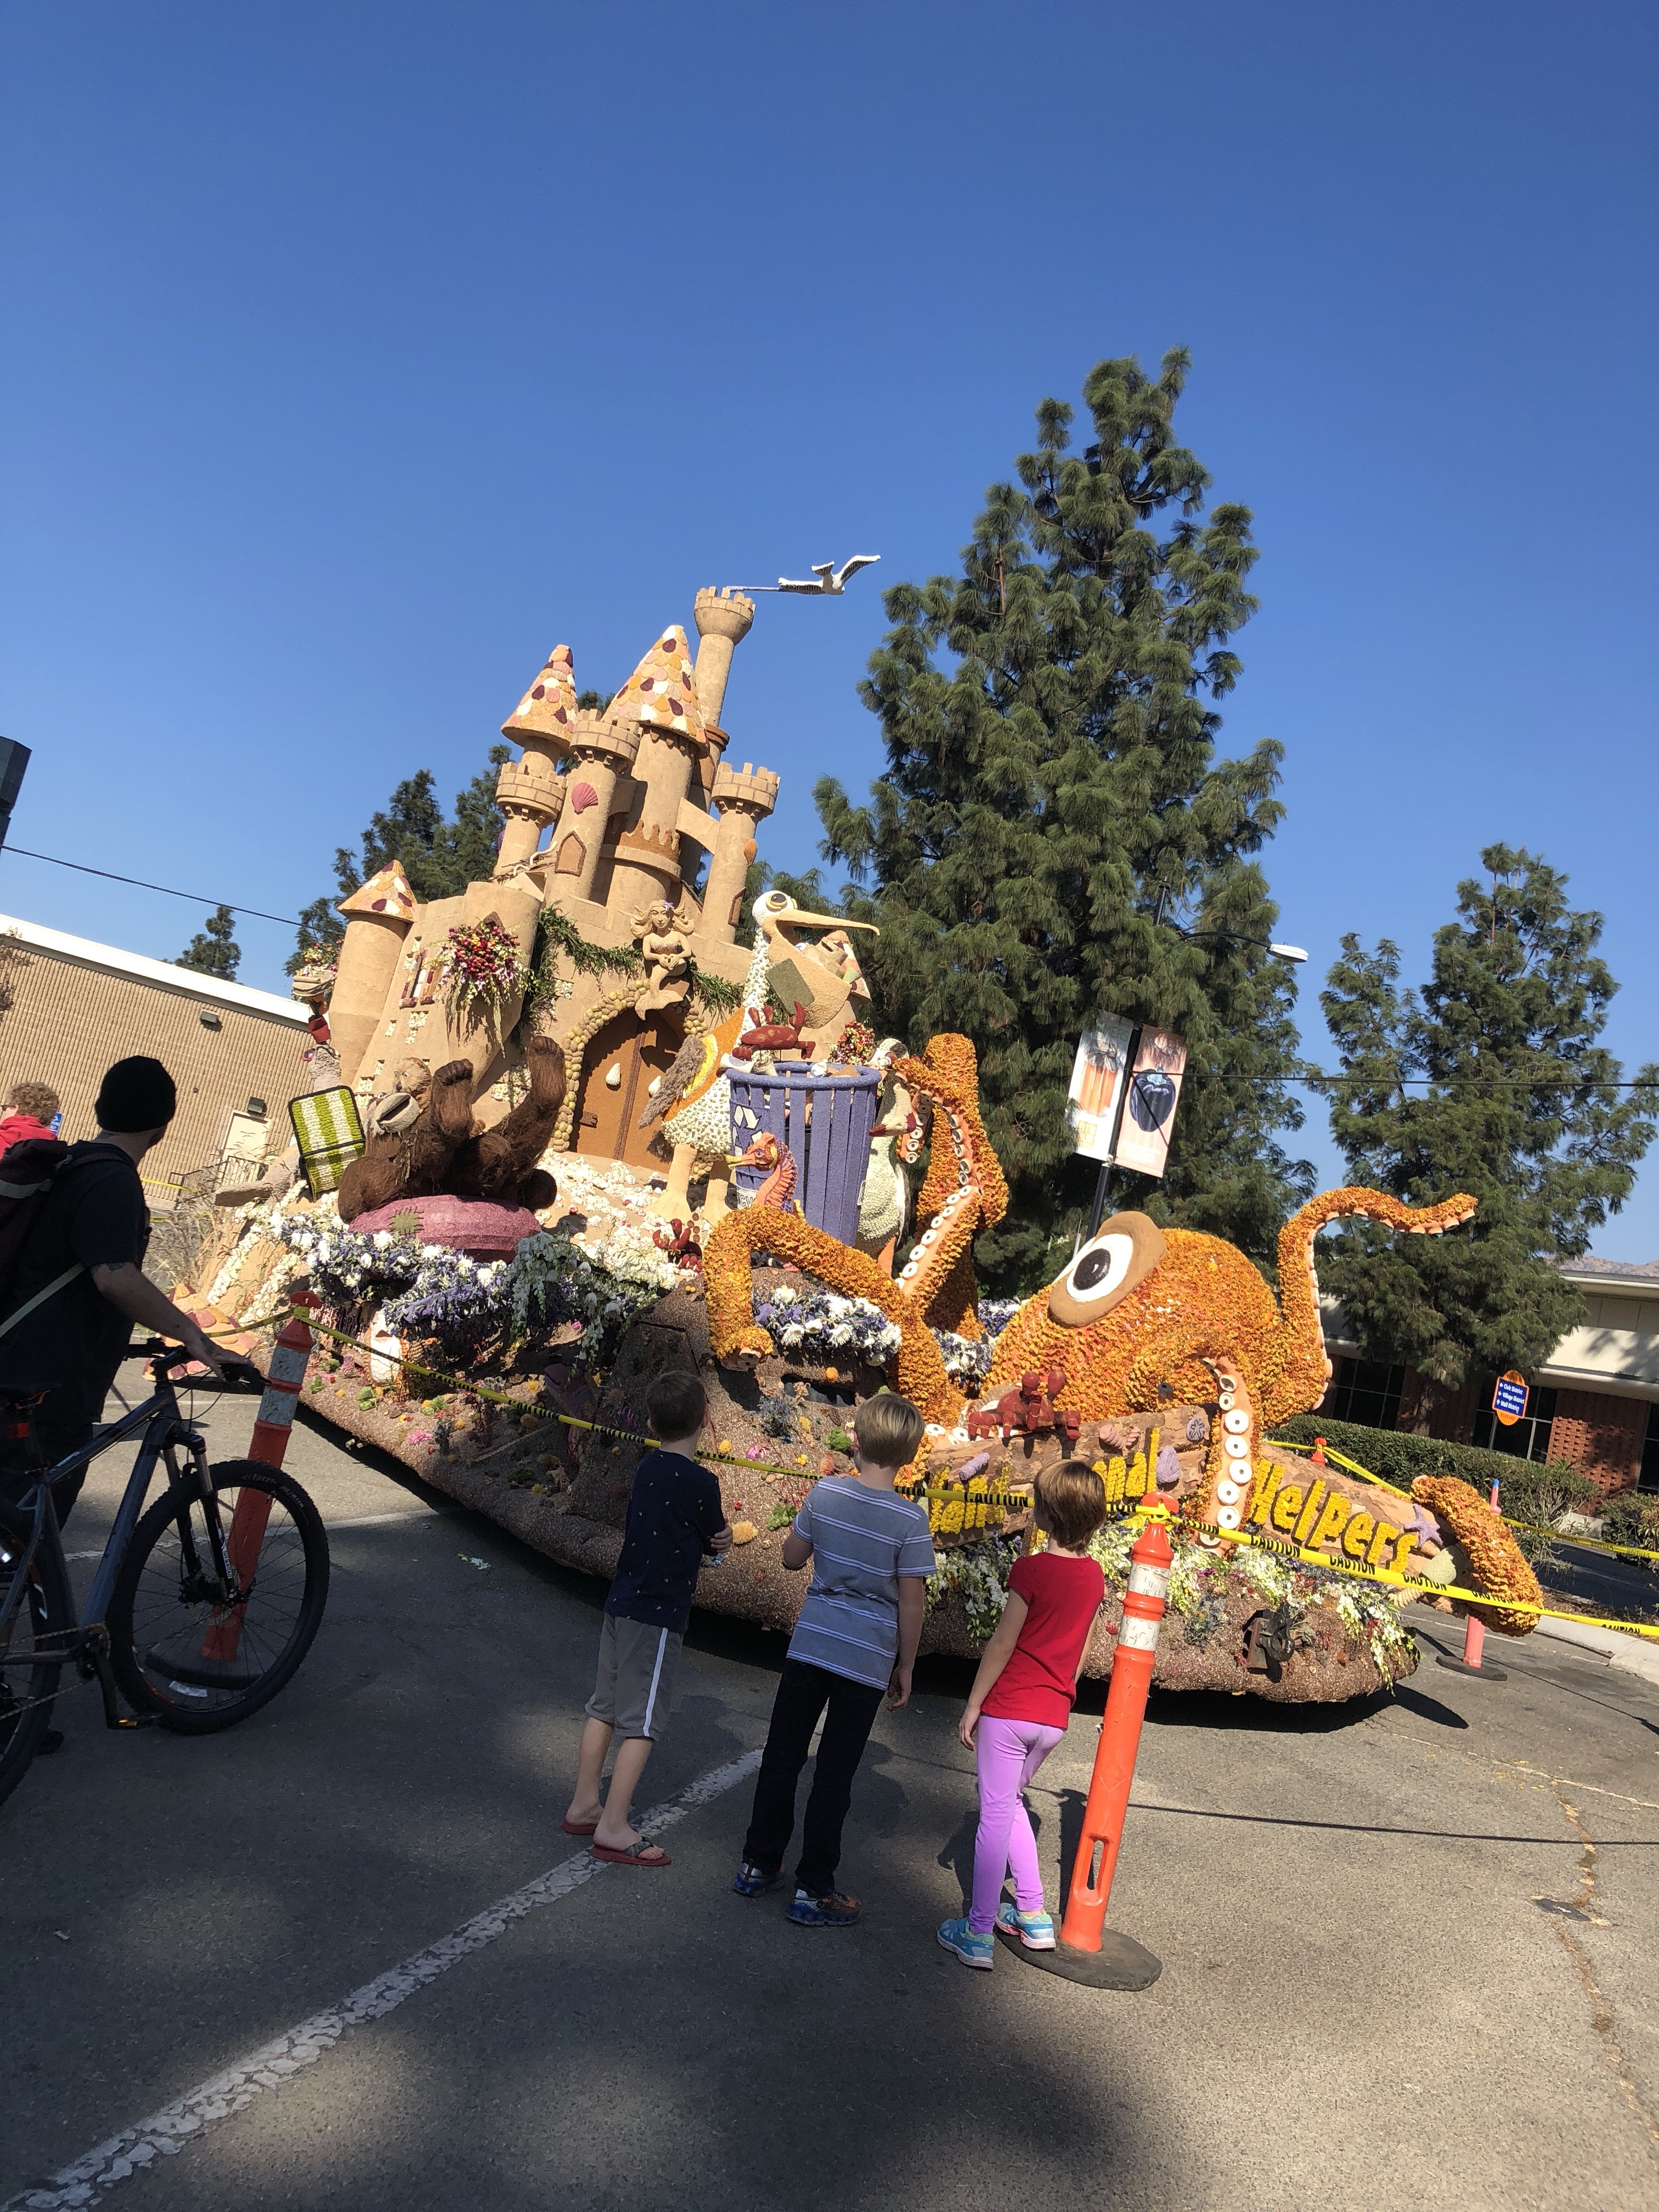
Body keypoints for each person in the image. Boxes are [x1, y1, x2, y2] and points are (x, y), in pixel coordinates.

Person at [732, 1391, 932, 1927]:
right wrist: (906, 1664)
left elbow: (792, 1558)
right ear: (909, 1455)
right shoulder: (911, 1521)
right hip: (866, 1660)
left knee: (783, 1754)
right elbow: (912, 1600)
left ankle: (757, 1863)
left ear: (858, 1441)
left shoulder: (826, 1495)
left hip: (813, 1642)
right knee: (835, 1775)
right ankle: (813, 1887)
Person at [0, 1055, 222, 1529]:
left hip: (16, 1359)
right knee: (28, 1546)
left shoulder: (72, 1162)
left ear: (100, 1106)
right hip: (51, 1385)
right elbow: (115, 1277)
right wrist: (194, 1335)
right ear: (164, 1125)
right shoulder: (113, 1179)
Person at [937, 1457, 1108, 1970]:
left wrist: (974, 1704)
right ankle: (1032, 1915)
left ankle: (979, 1929)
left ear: (1045, 1515)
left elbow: (1003, 1642)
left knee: (993, 1815)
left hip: (1010, 1709)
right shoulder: (1095, 1576)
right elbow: (1082, 1651)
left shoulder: (1031, 1569)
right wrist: (1064, 1695)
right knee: (1010, 1803)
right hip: (1053, 1716)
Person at [563, 1369, 732, 1866]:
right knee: (644, 1720)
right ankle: (614, 1825)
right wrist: (717, 1542)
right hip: (659, 1612)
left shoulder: (645, 1470)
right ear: (705, 1418)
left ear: (653, 1422)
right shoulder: (703, 1482)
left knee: (605, 1706)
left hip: (623, 1599)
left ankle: (585, 1803)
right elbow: (714, 1536)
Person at [0, 1080, 60, 1157]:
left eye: (5, 1108)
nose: (4, 1112)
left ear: (15, 1108)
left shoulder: (3, 1138)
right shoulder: (53, 1148)